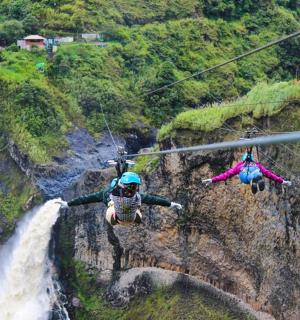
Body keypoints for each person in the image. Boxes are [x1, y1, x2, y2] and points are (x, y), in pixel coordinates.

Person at [56, 171, 182, 225]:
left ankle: (114, 209)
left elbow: (85, 199)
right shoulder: (138, 196)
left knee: (111, 206)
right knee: (137, 206)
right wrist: (171, 204)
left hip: (115, 219)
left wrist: (68, 204)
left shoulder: (107, 194)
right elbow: (155, 200)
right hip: (134, 219)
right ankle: (128, 211)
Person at [202, 152, 292, 194]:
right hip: (251, 174)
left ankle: (254, 180)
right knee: (259, 173)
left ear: (243, 159)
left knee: (253, 175)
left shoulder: (239, 166)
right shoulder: (257, 165)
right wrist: (283, 181)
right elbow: (270, 175)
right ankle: (256, 179)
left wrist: (212, 180)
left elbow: (226, 175)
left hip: (245, 177)